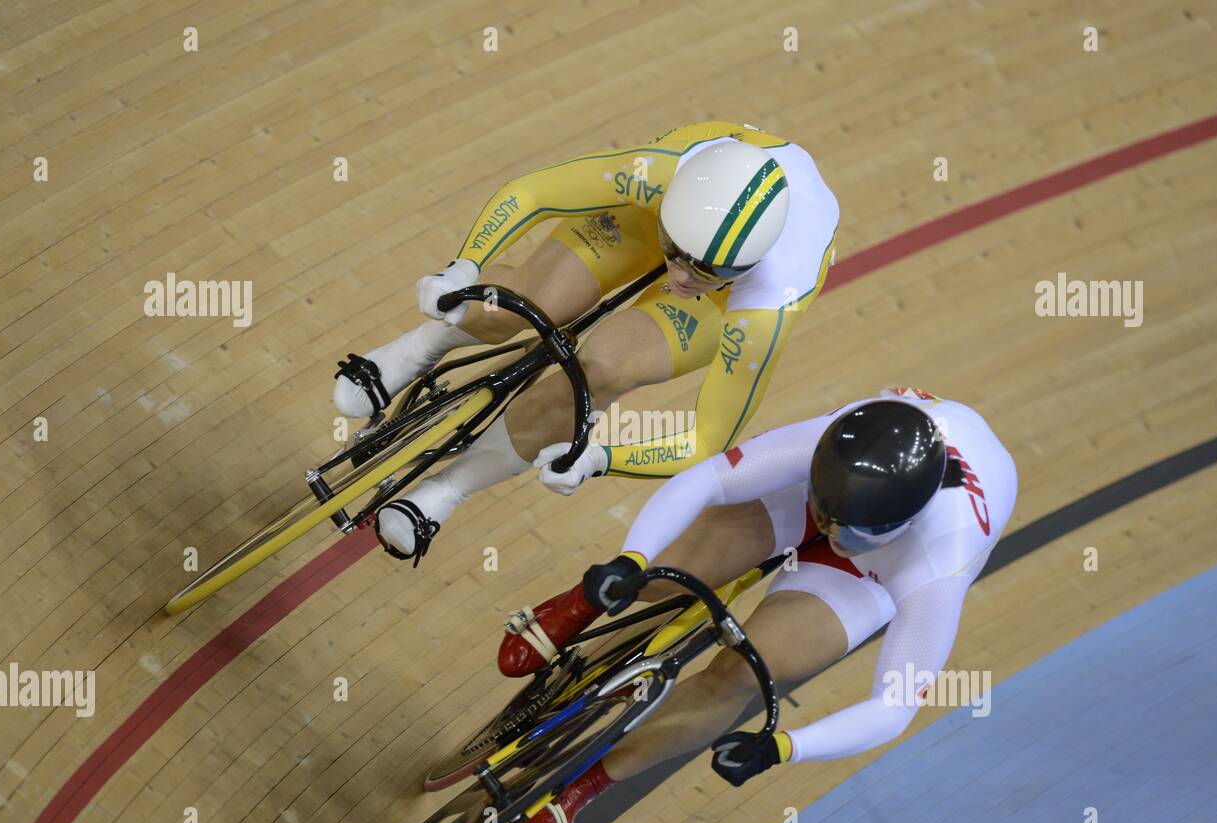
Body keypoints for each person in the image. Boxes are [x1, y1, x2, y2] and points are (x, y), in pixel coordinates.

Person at [499, 388, 1018, 823]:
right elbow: (708, 481)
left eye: (850, 533)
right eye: (828, 516)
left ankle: (586, 785)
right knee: (666, 573)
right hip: (825, 495)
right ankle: (581, 603)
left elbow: (895, 705)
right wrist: (630, 560)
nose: (834, 535)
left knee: (744, 672)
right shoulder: (832, 442)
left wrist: (782, 747)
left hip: (877, 573)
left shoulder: (938, 567)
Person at [332, 122, 839, 563]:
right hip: (653, 213)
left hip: (727, 300)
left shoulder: (769, 303)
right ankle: (418, 349)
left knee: (600, 372)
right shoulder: (660, 173)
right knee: (534, 299)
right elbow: (532, 193)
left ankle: (445, 491)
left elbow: (709, 439)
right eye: (675, 254)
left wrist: (600, 459)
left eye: (706, 271)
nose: (680, 276)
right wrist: (462, 266)